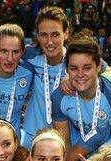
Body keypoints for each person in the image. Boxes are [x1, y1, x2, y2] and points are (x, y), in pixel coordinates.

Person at [51, 36, 111, 159]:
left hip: (110, 157)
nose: (80, 74)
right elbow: (64, 147)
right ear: (67, 70)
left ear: (98, 67)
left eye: (87, 68)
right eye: (74, 68)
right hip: (77, 157)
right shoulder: (59, 97)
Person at [21, 6, 71, 149]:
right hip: (31, 138)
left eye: (55, 34)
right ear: (37, 35)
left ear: (65, 33)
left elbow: (102, 67)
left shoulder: (76, 62)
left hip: (61, 140)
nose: (49, 42)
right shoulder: (29, 54)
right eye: (43, 35)